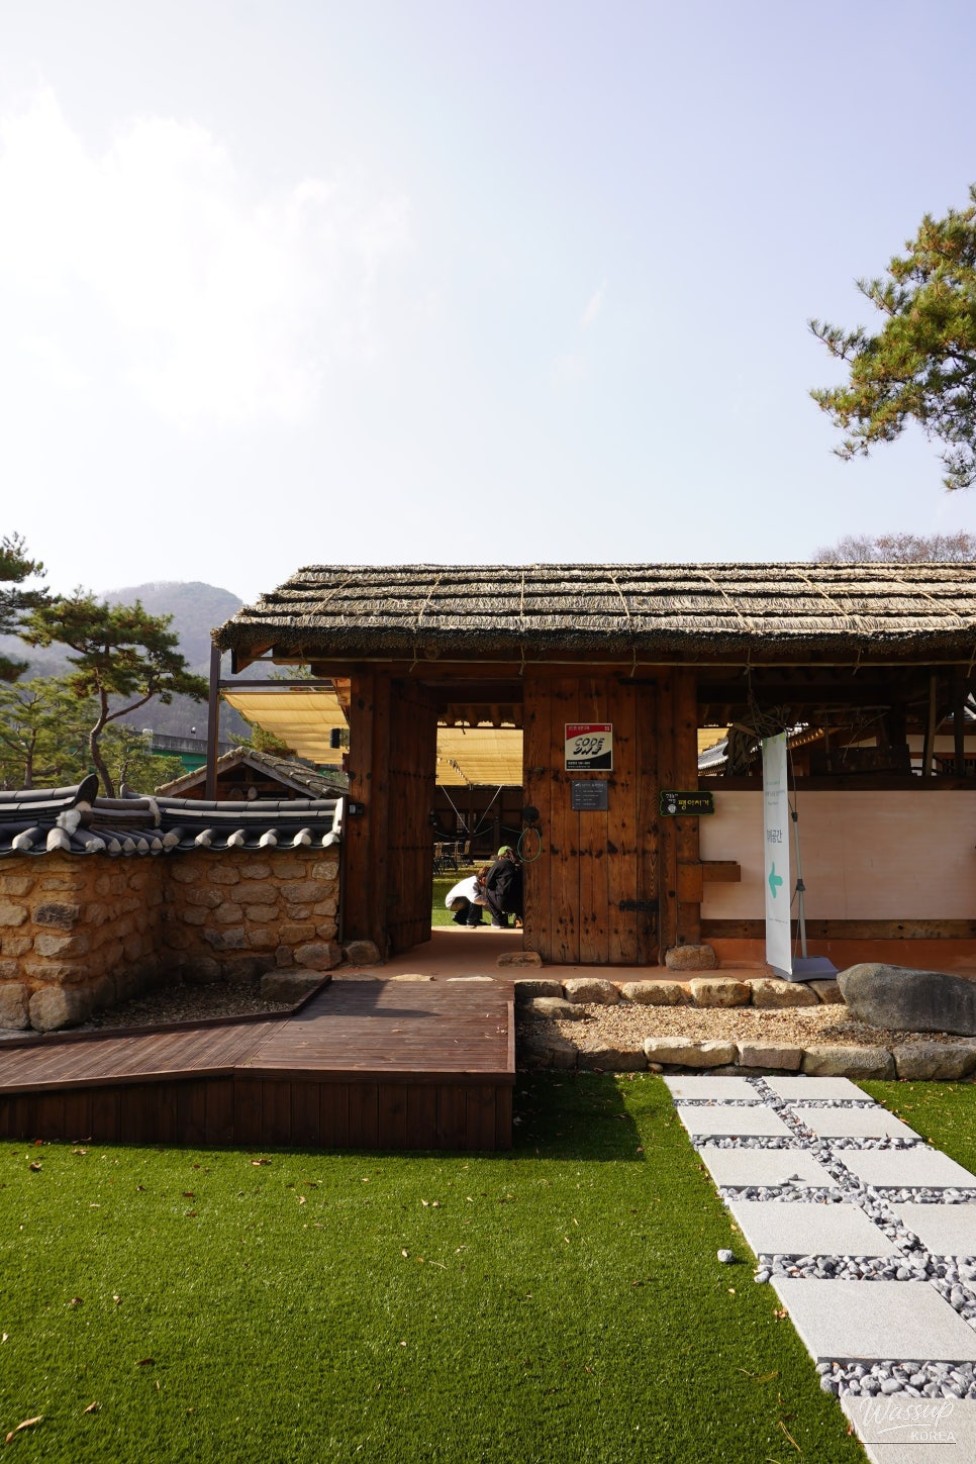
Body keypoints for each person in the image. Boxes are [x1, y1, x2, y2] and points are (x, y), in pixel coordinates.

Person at [483, 845, 523, 928]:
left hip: (504, 902)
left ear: (501, 856)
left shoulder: (500, 864)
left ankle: (499, 921)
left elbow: (488, 882)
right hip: (520, 904)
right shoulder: (521, 865)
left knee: (487, 890)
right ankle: (520, 919)